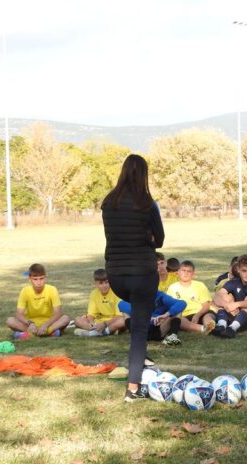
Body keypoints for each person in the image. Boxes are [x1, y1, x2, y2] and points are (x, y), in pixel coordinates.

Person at [101, 154, 165, 402]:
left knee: (136, 316)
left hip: (116, 276)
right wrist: (146, 236)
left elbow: (113, 236)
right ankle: (133, 388)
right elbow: (159, 240)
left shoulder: (108, 202)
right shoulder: (147, 203)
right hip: (142, 274)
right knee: (139, 328)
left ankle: (140, 358)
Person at [7, 263, 70, 339]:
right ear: (30, 278)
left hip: (49, 323)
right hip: (31, 324)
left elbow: (58, 313)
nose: (39, 282)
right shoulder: (25, 291)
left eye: (41, 278)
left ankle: (32, 334)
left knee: (65, 318)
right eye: (35, 279)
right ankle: (49, 333)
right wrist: (30, 323)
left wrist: (45, 325)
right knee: (10, 321)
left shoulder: (52, 289)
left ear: (45, 277)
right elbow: (19, 314)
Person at [211, 253, 247, 338]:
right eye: (244, 271)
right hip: (236, 316)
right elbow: (217, 297)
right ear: (238, 269)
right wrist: (226, 305)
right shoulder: (234, 282)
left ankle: (232, 329)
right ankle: (222, 326)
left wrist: (236, 304)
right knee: (225, 297)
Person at [167, 260, 217, 335]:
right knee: (180, 321)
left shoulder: (200, 285)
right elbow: (170, 306)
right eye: (183, 270)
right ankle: (203, 329)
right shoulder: (172, 287)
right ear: (178, 272)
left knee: (208, 316)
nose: (186, 273)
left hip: (201, 311)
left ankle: (211, 326)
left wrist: (197, 315)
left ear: (193, 274)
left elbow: (206, 306)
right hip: (184, 315)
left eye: (189, 271)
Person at [118, 290, 186, 344]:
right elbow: (121, 304)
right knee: (125, 312)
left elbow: (182, 303)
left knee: (178, 310)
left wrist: (166, 314)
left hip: (159, 328)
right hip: (142, 330)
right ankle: (136, 337)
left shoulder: (160, 296)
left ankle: (172, 337)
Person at [73, 268, 126, 337]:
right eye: (101, 283)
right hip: (98, 322)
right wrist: (92, 323)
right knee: (77, 320)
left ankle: (98, 333)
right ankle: (96, 330)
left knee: (123, 320)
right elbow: (91, 314)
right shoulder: (94, 294)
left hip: (112, 321)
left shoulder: (116, 292)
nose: (104, 286)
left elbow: (119, 316)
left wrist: (104, 324)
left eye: (107, 282)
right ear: (96, 284)